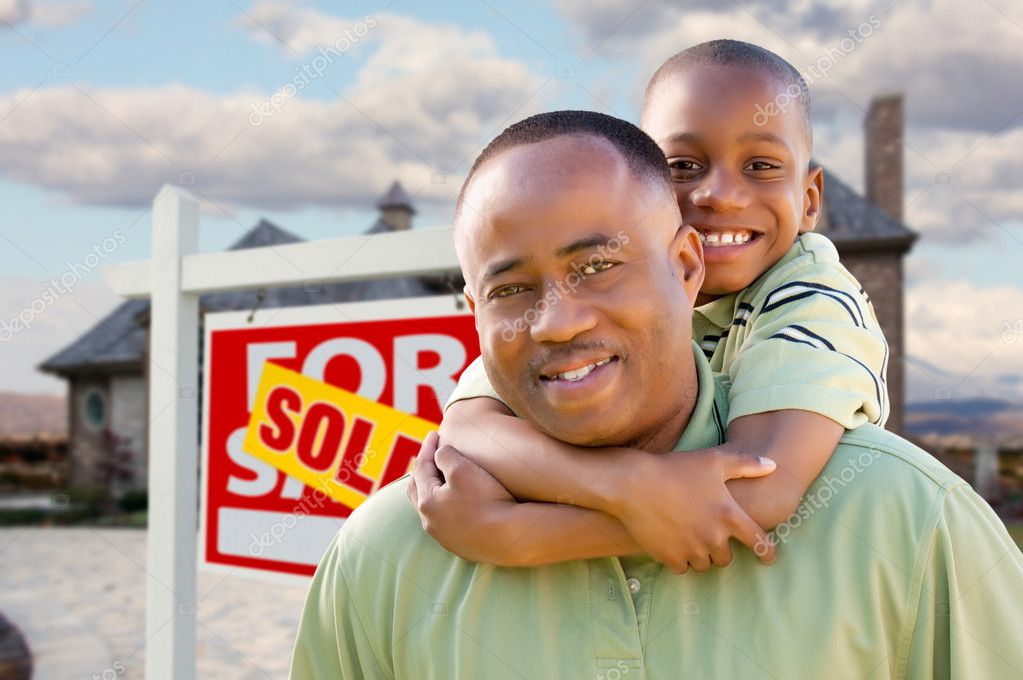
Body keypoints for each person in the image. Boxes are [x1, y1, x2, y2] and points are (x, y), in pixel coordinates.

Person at [290, 110, 1023, 679]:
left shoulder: (906, 521)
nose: (557, 322)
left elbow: (757, 492)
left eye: (597, 266)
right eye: (510, 290)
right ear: (473, 315)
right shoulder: (383, 557)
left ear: (685, 265)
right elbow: (471, 422)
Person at [426, 39, 890, 572]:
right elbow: (470, 428)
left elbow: (758, 491)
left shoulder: (815, 299)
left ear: (809, 200)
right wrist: (628, 485)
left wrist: (517, 536)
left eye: (760, 165)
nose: (719, 195)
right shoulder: (608, 295)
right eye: (684, 165)